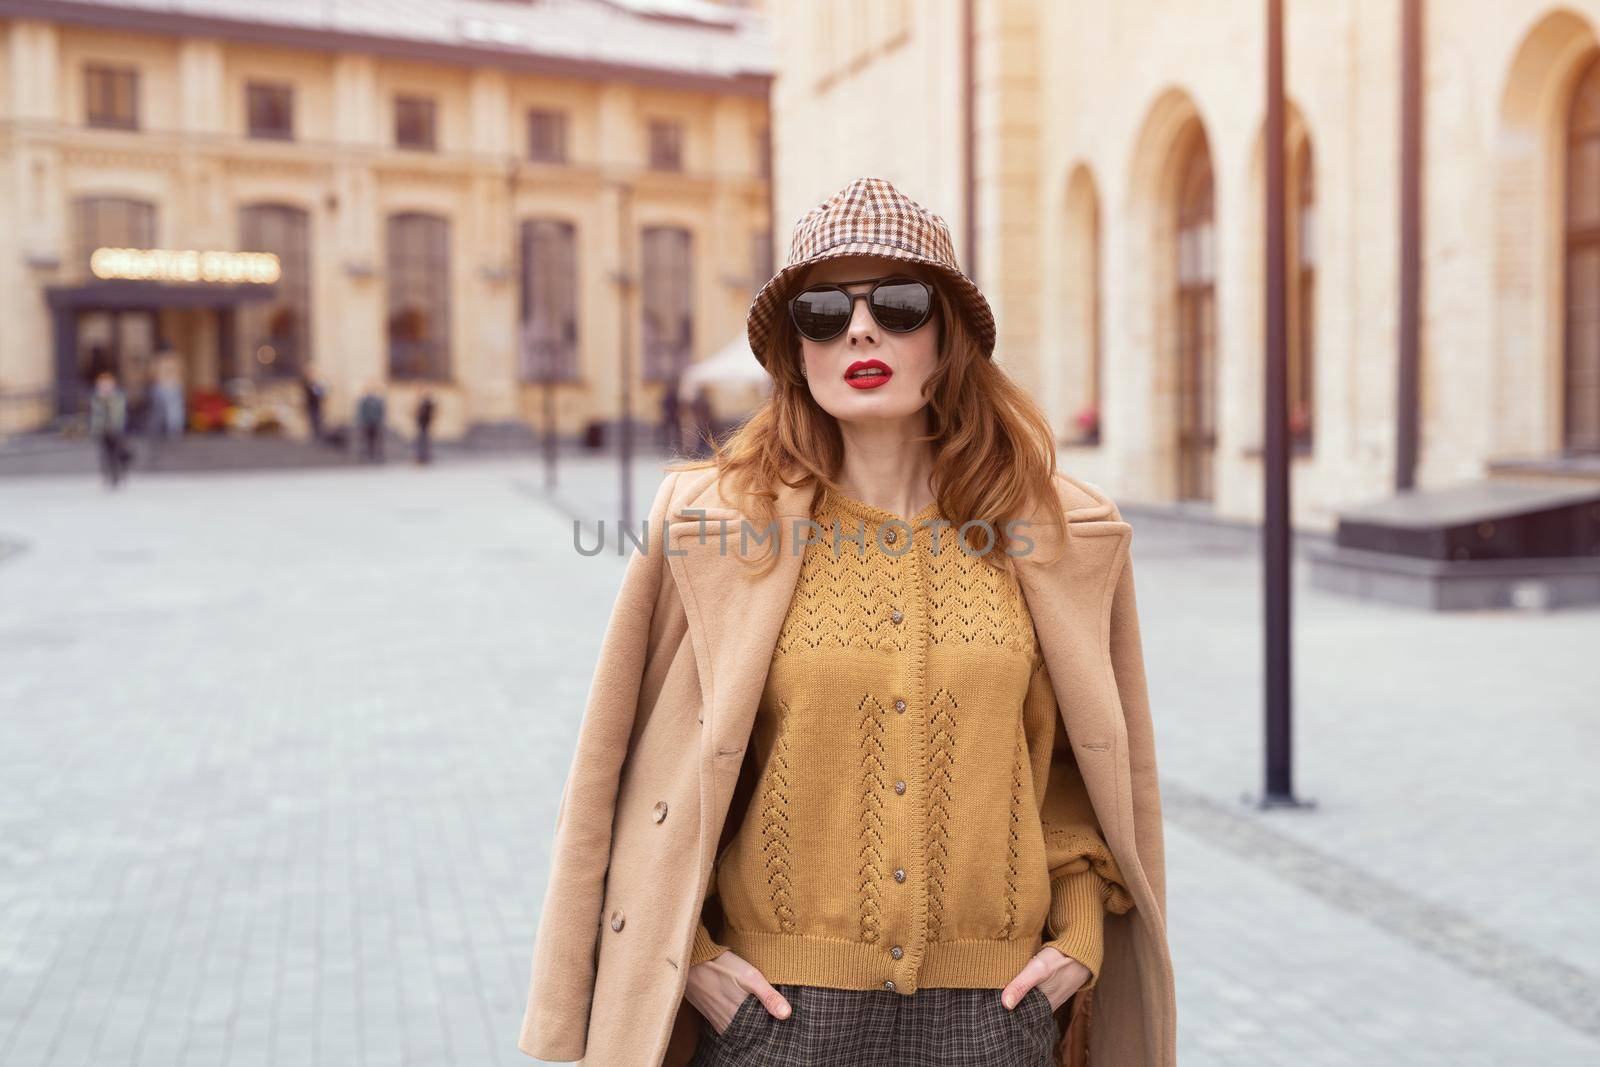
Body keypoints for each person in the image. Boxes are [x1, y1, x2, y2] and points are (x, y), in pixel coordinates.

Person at [516, 177, 1175, 1067]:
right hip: (775, 1023)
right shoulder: (710, 524)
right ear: (795, 349)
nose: (860, 330)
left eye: (898, 305)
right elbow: (618, 775)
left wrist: (1079, 936)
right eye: (823, 311)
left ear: (949, 334)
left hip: (997, 1018)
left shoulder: (1057, 531)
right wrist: (701, 966)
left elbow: (1074, 768)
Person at [88, 370, 131, 489]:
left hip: (116, 430)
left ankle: (117, 476)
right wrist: (95, 429)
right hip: (102, 431)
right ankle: (107, 476)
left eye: (107, 384)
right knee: (105, 454)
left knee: (116, 453)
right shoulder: (96, 398)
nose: (105, 386)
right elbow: (95, 415)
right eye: (102, 384)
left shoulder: (117, 397)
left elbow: (120, 413)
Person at [356, 382, 386, 462]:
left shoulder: (378, 401)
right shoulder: (364, 401)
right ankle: (366, 454)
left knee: (375, 439)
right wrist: (362, 421)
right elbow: (361, 411)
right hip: (367, 422)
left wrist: (380, 420)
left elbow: (381, 411)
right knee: (366, 439)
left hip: (375, 422)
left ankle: (375, 454)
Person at [300, 361, 329, 444]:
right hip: (310, 405)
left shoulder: (317, 382)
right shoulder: (306, 382)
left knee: (318, 420)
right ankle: (315, 437)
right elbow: (305, 395)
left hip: (316, 405)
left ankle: (319, 437)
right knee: (312, 421)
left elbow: (321, 393)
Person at [414, 390, 436, 465]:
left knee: (423, 441)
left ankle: (423, 457)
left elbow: (427, 414)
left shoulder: (428, 404)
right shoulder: (425, 404)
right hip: (422, 424)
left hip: (425, 424)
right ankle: (422, 457)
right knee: (422, 441)